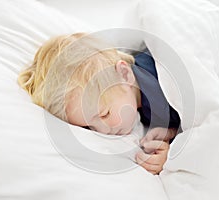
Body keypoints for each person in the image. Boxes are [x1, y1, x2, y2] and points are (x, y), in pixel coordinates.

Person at [18, 33, 181, 175]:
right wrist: (171, 133)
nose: (104, 130)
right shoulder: (135, 99)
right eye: (90, 127)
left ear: (124, 74)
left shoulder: (164, 87)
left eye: (105, 114)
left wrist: (174, 156)